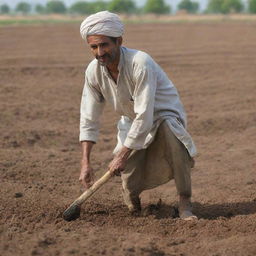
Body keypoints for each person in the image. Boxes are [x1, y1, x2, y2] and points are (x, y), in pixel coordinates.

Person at [78, 11, 197, 220]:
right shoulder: (93, 72)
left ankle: (185, 204)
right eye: (93, 47)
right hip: (132, 121)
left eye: (104, 45)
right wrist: (85, 162)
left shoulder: (140, 63)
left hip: (164, 116)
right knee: (129, 177)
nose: (99, 52)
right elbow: (88, 117)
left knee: (174, 143)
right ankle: (134, 207)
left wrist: (121, 155)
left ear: (119, 41)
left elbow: (145, 114)